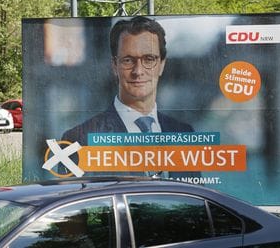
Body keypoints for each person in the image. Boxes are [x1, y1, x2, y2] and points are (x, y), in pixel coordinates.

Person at [61, 16, 196, 178]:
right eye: (128, 60)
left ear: (162, 65)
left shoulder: (184, 134)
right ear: (114, 66)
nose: (138, 71)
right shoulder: (79, 139)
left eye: (149, 59)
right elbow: (77, 201)